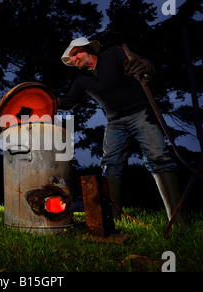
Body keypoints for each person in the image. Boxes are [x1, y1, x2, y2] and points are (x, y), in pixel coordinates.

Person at [58, 37, 187, 226]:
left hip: (141, 113)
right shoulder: (81, 80)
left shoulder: (114, 54)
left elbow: (140, 65)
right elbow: (69, 102)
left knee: (158, 158)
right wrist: (49, 101)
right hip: (114, 122)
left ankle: (179, 221)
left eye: (75, 53)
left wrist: (146, 67)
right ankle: (112, 219)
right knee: (110, 163)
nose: (74, 59)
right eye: (71, 58)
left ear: (87, 49)